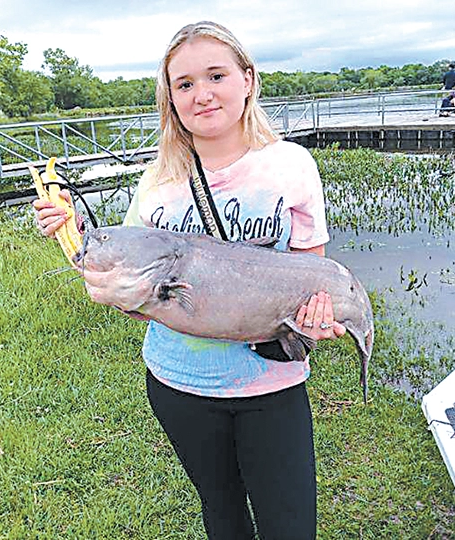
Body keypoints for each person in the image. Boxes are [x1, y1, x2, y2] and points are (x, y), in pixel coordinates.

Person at [33, 20, 346, 540]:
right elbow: (127, 276)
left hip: (270, 385)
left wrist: (317, 319)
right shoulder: (157, 181)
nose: (202, 94)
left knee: (290, 525)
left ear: (248, 79)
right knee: (222, 513)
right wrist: (73, 232)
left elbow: (310, 272)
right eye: (184, 84)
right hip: (179, 384)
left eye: (216, 75)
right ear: (171, 98)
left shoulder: (291, 165)